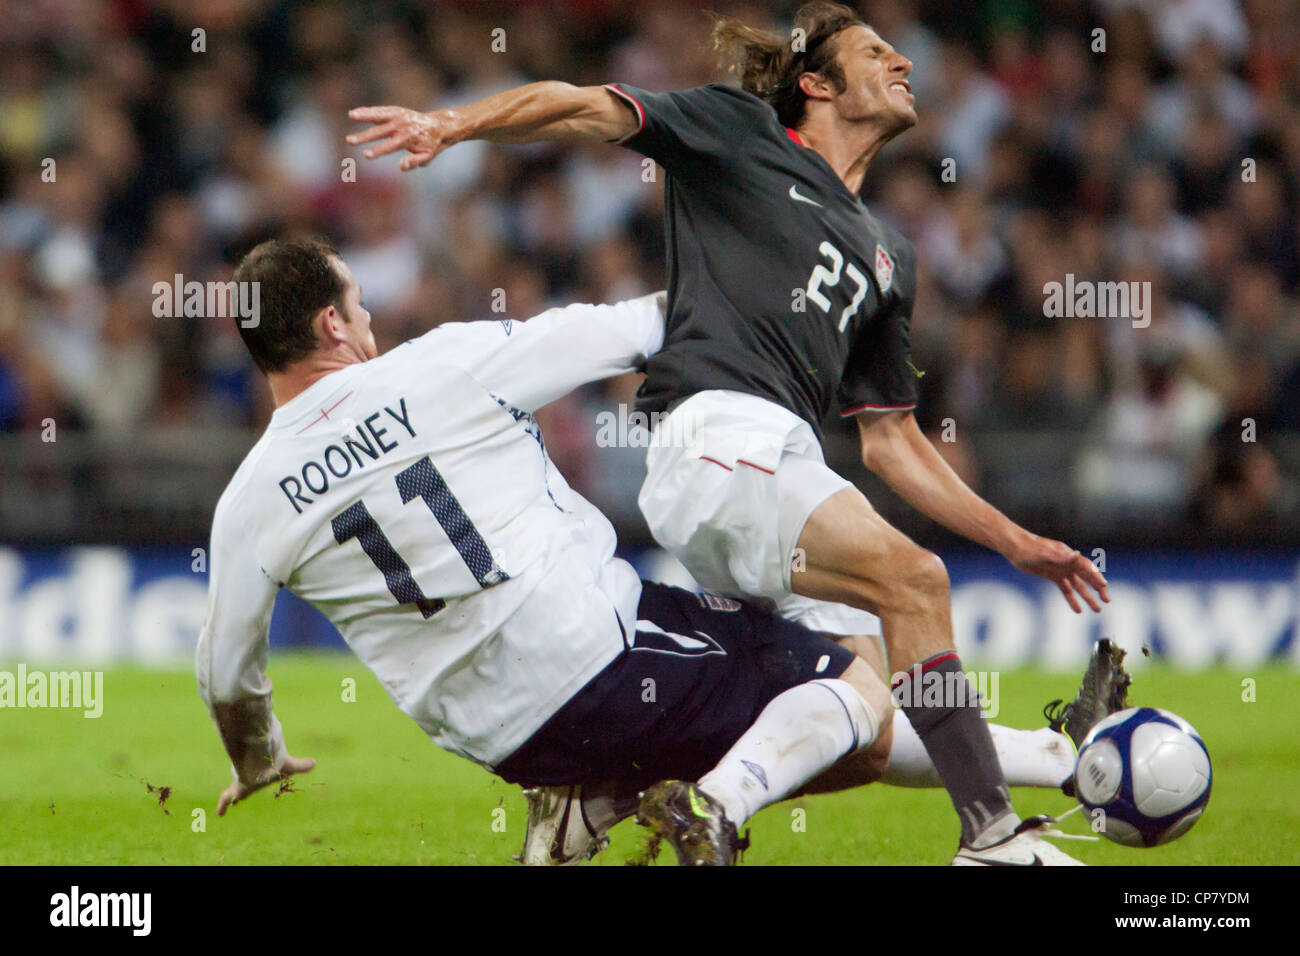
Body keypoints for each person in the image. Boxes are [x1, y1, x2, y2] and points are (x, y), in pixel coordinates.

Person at [346, 2, 1121, 865]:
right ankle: (990, 840)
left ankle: (1055, 756)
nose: (903, 61)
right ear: (817, 84)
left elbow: (892, 444)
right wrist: (455, 124)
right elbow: (584, 104)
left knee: (860, 717)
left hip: (777, 464)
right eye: (875, 51)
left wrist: (1017, 541)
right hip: (717, 438)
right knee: (915, 578)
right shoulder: (741, 131)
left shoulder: (888, 255)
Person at [197, 237, 906, 866]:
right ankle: (711, 803)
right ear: (331, 324)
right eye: (358, 302)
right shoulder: (443, 365)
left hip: (511, 745)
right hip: (602, 655)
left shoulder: (250, 501)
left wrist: (260, 761)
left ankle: (596, 794)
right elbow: (626, 330)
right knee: (860, 698)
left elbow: (227, 678)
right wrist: (756, 293)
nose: (371, 318)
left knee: (807, 724)